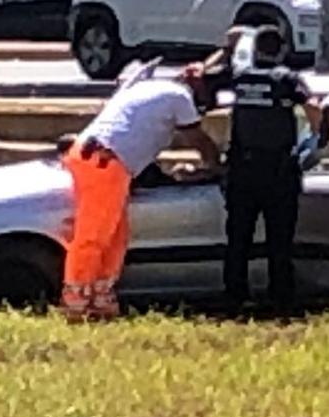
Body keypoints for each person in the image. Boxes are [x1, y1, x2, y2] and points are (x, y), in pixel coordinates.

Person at [63, 65, 221, 322]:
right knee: (94, 235)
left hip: (103, 159)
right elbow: (199, 140)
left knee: (117, 235)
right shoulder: (179, 97)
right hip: (106, 162)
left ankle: (101, 297)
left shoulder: (148, 88)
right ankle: (77, 300)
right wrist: (216, 166)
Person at [222, 26, 321, 312]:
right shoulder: (287, 79)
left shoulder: (240, 78)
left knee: (238, 237)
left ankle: (235, 296)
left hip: (242, 169)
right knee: (280, 237)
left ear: (254, 50)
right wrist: (319, 136)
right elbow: (313, 106)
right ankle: (281, 297)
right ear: (282, 50)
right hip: (278, 171)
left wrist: (228, 46)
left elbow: (209, 74)